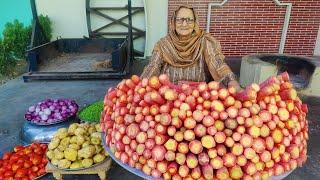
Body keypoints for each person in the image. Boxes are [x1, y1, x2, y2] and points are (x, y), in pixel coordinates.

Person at [141, 5, 241, 91]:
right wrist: (142, 83)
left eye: (189, 20)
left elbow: (217, 64)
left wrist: (231, 81)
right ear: (173, 22)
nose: (184, 24)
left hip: (199, 96)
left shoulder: (204, 41)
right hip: (168, 94)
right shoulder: (163, 44)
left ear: (194, 24)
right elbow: (153, 66)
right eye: (180, 20)